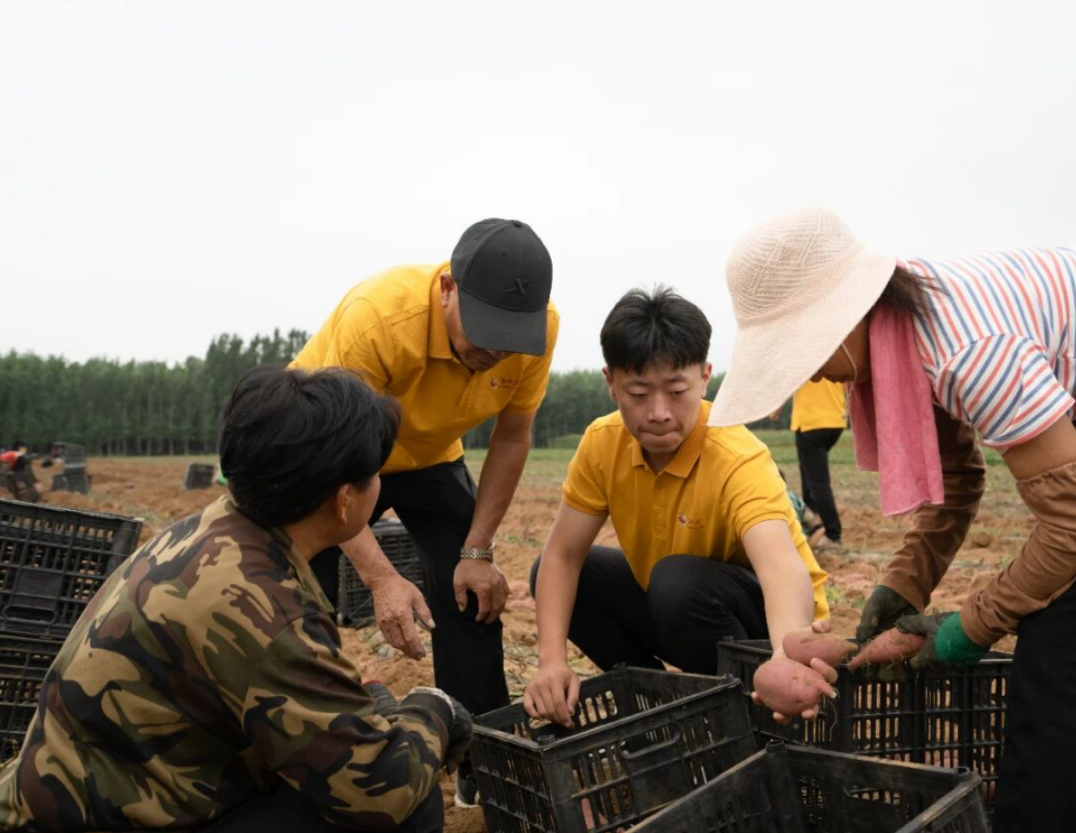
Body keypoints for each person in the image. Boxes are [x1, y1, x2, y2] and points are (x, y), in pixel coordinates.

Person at [710, 207, 1076, 833]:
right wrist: (903, 587)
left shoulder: (967, 351)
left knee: (1070, 659)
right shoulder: (909, 332)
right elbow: (957, 483)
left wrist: (967, 628)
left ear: (844, 317)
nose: (809, 373)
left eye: (803, 351)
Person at [0, 366, 471, 832]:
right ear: (345, 499)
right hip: (103, 812)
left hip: (70, 793)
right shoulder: (267, 609)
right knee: (409, 802)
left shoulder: (212, 527)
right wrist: (433, 710)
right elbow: (380, 791)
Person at [291, 218, 558, 806]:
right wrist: (382, 577)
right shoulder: (379, 321)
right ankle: (314, 741)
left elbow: (513, 437)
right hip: (323, 449)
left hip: (431, 454)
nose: (493, 354)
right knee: (293, 582)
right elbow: (335, 466)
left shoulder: (539, 332)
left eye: (509, 339)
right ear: (447, 289)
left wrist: (478, 550)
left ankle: (482, 755)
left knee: (472, 590)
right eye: (484, 332)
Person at [524, 287, 836, 728]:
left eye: (676, 391)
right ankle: (654, 710)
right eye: (637, 393)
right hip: (681, 613)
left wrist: (786, 655)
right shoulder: (602, 443)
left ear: (705, 377)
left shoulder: (734, 454)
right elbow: (563, 556)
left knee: (677, 582)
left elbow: (780, 568)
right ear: (609, 382)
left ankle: (745, 717)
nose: (658, 413)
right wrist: (551, 660)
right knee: (562, 573)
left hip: (773, 633)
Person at [770, 380, 847, 544]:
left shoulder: (802, 355)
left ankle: (833, 534)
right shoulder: (830, 353)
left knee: (817, 483)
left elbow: (791, 377)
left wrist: (777, 405)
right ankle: (814, 523)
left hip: (811, 422)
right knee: (808, 475)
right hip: (835, 420)